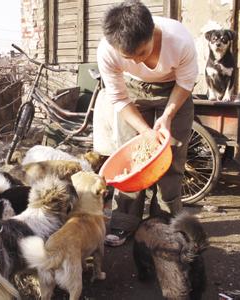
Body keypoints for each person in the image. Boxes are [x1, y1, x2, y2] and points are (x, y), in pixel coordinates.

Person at [93, 0, 198, 246]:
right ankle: (123, 222)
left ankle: (163, 222)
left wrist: (167, 116)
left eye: (143, 53)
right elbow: (118, 97)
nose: (138, 61)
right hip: (131, 90)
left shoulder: (179, 40)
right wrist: (145, 132)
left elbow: (185, 83)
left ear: (152, 31)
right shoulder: (107, 51)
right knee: (132, 159)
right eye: (129, 57)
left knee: (171, 155)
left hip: (174, 90)